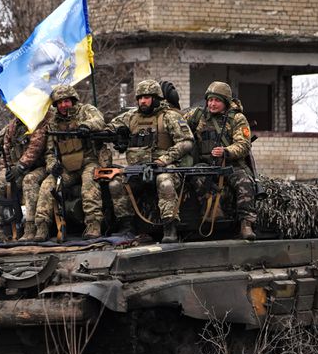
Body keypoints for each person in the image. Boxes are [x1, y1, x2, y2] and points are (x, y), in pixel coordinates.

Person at [105, 78, 194, 242]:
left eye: (146, 97)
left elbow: (187, 142)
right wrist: (117, 134)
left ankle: (170, 226)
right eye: (139, 98)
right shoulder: (131, 117)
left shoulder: (170, 117)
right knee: (115, 183)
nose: (142, 101)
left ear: (156, 98)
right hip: (137, 170)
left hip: (164, 168)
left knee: (164, 182)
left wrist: (164, 159)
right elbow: (109, 128)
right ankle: (126, 226)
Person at [30, 84, 108, 241]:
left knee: (89, 183)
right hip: (66, 167)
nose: (63, 105)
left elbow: (99, 121)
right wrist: (53, 166)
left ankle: (93, 225)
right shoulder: (53, 123)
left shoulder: (85, 111)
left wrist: (86, 126)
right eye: (59, 103)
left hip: (88, 161)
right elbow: (50, 151)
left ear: (73, 100)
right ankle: (42, 227)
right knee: (47, 185)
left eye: (66, 101)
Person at [183, 81, 258, 240]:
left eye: (217, 100)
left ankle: (246, 224)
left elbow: (244, 144)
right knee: (196, 172)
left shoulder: (237, 118)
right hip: (207, 165)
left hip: (231, 165)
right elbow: (175, 120)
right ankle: (213, 212)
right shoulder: (197, 115)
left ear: (225, 102)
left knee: (244, 183)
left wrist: (227, 151)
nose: (212, 104)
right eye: (210, 100)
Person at [0, 111, 51, 242]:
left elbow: (34, 150)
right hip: (16, 169)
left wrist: (19, 167)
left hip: (38, 168)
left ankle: (30, 228)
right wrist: (6, 170)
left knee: (29, 180)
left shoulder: (38, 124)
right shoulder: (12, 127)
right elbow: (5, 151)